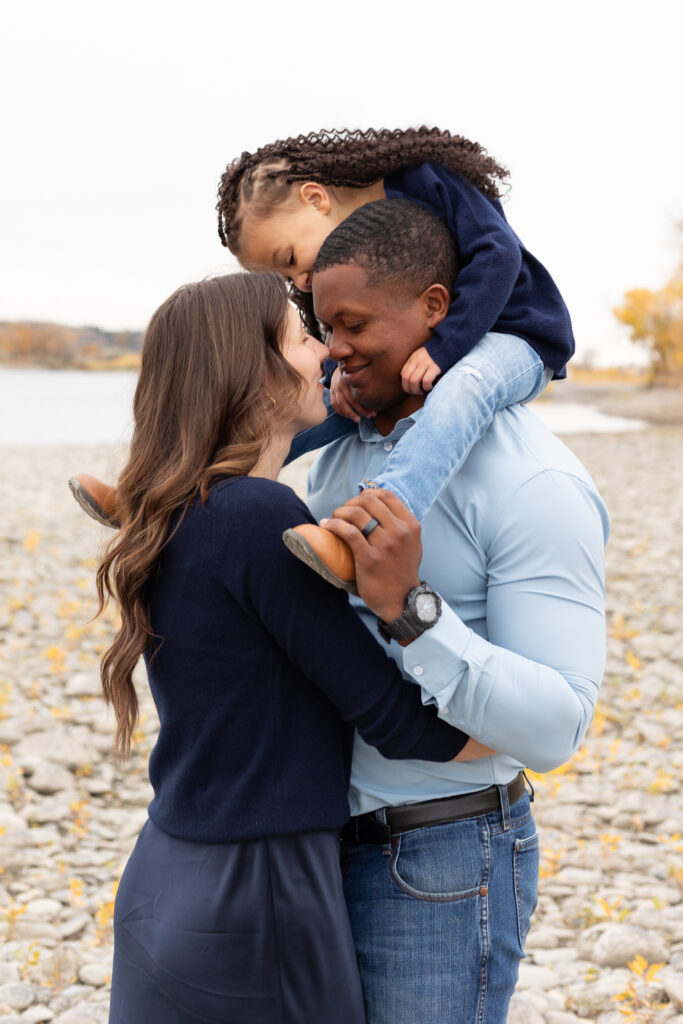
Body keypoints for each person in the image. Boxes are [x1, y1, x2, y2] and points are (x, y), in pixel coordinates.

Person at [95, 271, 480, 1024]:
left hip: (166, 868)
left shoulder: (173, 510)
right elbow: (390, 718)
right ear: (254, 371)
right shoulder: (257, 516)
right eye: (303, 337)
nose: (326, 354)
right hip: (257, 887)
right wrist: (518, 738)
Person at [300, 199, 610, 1024]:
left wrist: (408, 608)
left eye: (354, 322)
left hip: (441, 862)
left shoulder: (532, 484)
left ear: (435, 309)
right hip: (303, 848)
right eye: (324, 325)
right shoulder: (337, 452)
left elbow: (555, 728)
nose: (335, 347)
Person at [68, 125, 574, 585]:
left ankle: (366, 535)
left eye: (289, 260)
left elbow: (497, 253)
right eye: (285, 279)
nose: (299, 282)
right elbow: (362, 316)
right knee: (307, 408)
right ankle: (168, 497)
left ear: (315, 198)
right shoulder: (339, 261)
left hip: (518, 335)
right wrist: (336, 370)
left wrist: (446, 348)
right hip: (433, 341)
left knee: (469, 386)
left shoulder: (426, 180)